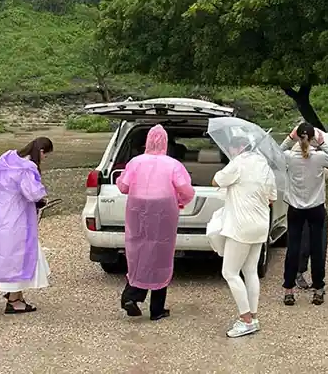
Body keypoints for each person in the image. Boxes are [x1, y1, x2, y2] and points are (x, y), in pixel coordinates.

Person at [0, 137, 54, 314]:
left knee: (8, 254)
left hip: (1, 214)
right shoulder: (27, 167)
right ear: (41, 151)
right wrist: (41, 199)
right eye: (46, 155)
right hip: (17, 217)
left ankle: (16, 294)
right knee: (18, 256)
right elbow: (32, 192)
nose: (44, 159)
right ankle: (14, 301)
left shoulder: (8, 158)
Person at [118, 124, 194, 321]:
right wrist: (180, 200)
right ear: (166, 143)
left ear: (147, 141)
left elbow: (124, 187)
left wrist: (121, 179)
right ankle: (157, 309)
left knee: (138, 249)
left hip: (138, 210)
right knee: (161, 253)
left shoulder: (135, 162)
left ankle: (131, 294)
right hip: (163, 211)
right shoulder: (173, 164)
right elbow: (186, 190)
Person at [212, 136, 277, 338]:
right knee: (250, 271)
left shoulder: (238, 163)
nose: (229, 152)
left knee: (230, 272)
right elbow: (272, 198)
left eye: (231, 148)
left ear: (239, 147)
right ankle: (253, 316)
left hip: (240, 227)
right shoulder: (264, 166)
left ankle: (245, 319)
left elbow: (215, 181)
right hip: (260, 227)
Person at [280, 122, 328, 306]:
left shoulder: (289, 157)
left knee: (293, 249)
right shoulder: (320, 157)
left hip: (295, 208)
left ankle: (289, 290)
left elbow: (274, 153)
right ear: (313, 138)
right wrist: (322, 143)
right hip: (316, 208)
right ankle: (318, 288)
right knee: (317, 248)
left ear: (297, 137)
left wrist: (289, 139)